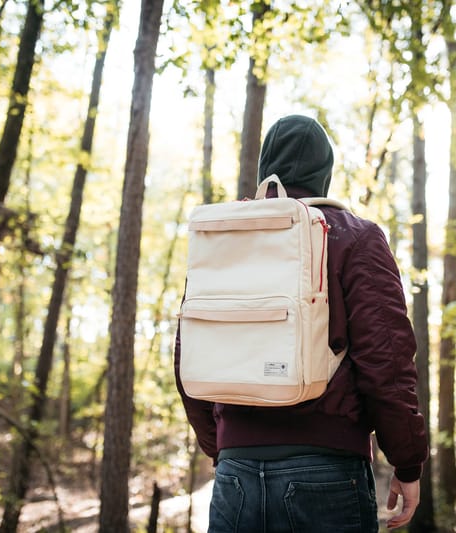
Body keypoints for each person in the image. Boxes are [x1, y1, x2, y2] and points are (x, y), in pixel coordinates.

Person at [174, 114, 428, 532]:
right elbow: (388, 361)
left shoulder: (224, 237)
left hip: (235, 474)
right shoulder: (353, 236)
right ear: (323, 172)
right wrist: (407, 460)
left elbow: (190, 352)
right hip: (326, 469)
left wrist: (223, 446)